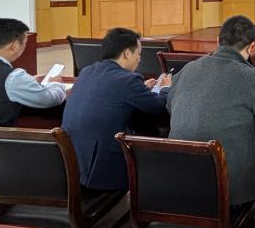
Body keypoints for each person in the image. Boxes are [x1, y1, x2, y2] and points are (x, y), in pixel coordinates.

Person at [168, 16, 255, 206]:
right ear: (251, 47)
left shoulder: (188, 69)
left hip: (179, 176)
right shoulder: (250, 76)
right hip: (227, 185)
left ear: (217, 41)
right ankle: (251, 206)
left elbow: (170, 105)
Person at [61, 28, 172, 191]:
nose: (139, 59)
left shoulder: (87, 71)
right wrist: (165, 88)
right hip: (102, 171)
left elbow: (111, 92)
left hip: (72, 164)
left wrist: (140, 88)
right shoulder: (128, 79)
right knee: (151, 132)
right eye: (138, 54)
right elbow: (158, 106)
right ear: (127, 53)